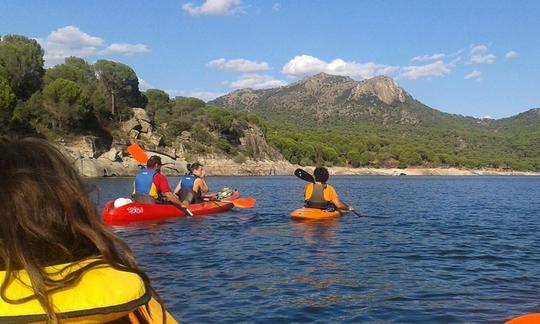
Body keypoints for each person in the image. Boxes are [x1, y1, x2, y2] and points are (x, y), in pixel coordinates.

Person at [0, 137, 177, 323]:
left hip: (138, 201)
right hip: (153, 206)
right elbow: (167, 194)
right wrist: (182, 205)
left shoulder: (140, 174)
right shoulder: (139, 306)